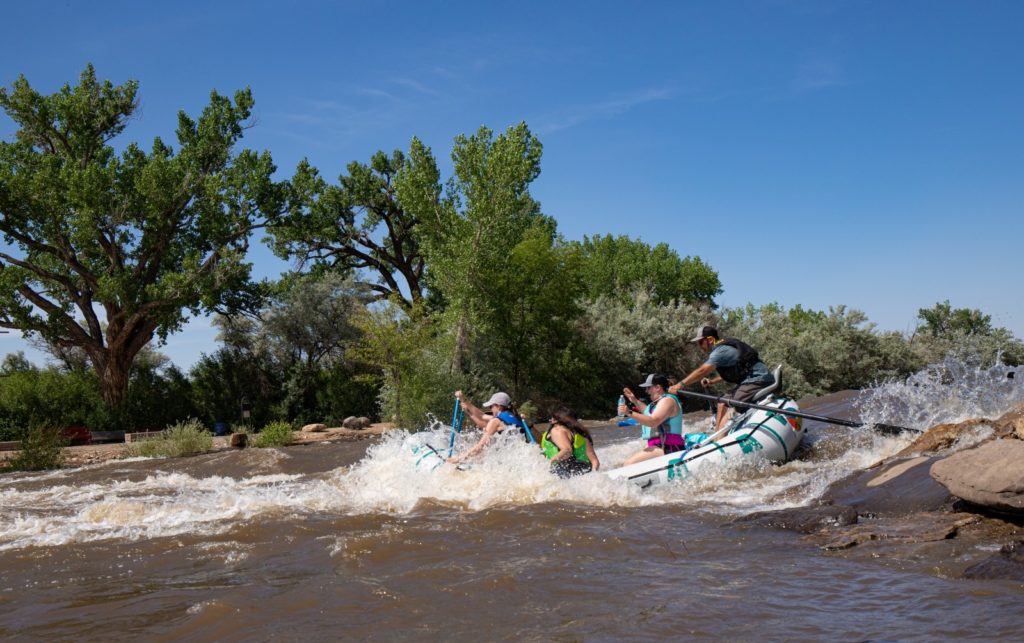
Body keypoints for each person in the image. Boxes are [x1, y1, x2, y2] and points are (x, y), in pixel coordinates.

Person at [669, 325, 775, 432]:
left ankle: (720, 440)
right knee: (721, 403)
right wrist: (712, 381)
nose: (699, 346)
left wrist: (679, 385)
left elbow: (702, 371)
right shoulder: (722, 349)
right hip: (750, 380)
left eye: (701, 342)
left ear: (710, 340)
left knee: (730, 404)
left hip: (758, 379)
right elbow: (734, 372)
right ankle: (717, 437)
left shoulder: (720, 352)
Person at [617, 373, 684, 465]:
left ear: (658, 387)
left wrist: (629, 413)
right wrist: (634, 400)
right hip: (660, 447)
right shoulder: (660, 402)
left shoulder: (667, 400)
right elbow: (646, 411)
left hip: (669, 448)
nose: (646, 391)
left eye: (648, 388)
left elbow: (653, 421)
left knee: (628, 464)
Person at [447, 390, 531, 464]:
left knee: (481, 456)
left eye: (491, 406)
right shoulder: (516, 417)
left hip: (507, 463)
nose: (490, 409)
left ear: (499, 406)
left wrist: (458, 459)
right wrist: (465, 403)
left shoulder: (496, 421)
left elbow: (479, 448)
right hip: (520, 460)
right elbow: (482, 416)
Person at [541, 406, 600, 478]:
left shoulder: (557, 430)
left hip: (565, 471)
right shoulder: (581, 434)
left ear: (557, 419)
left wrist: (548, 463)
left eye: (552, 416)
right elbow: (595, 462)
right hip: (584, 471)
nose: (550, 419)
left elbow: (567, 450)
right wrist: (593, 477)